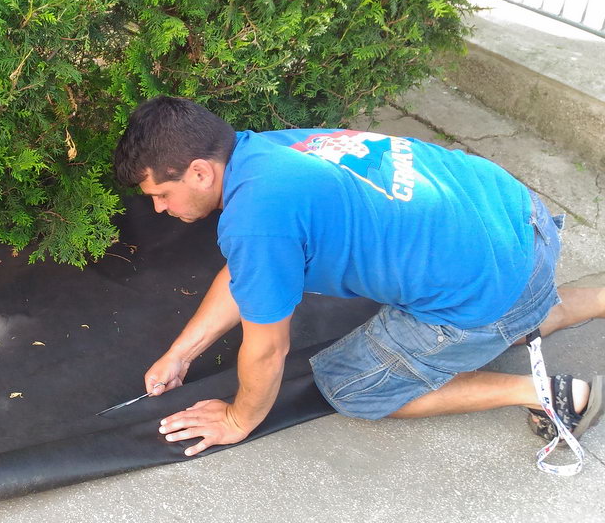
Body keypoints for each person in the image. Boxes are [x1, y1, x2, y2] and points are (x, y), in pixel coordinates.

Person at [112, 95, 605, 458]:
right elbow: (249, 274)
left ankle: (550, 396)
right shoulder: (265, 151)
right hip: (519, 218)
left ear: (200, 172)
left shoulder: (257, 219)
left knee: (353, 386)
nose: (159, 208)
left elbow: (267, 349)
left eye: (161, 194)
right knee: (508, 306)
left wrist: (238, 417)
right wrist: (182, 354)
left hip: (492, 283)